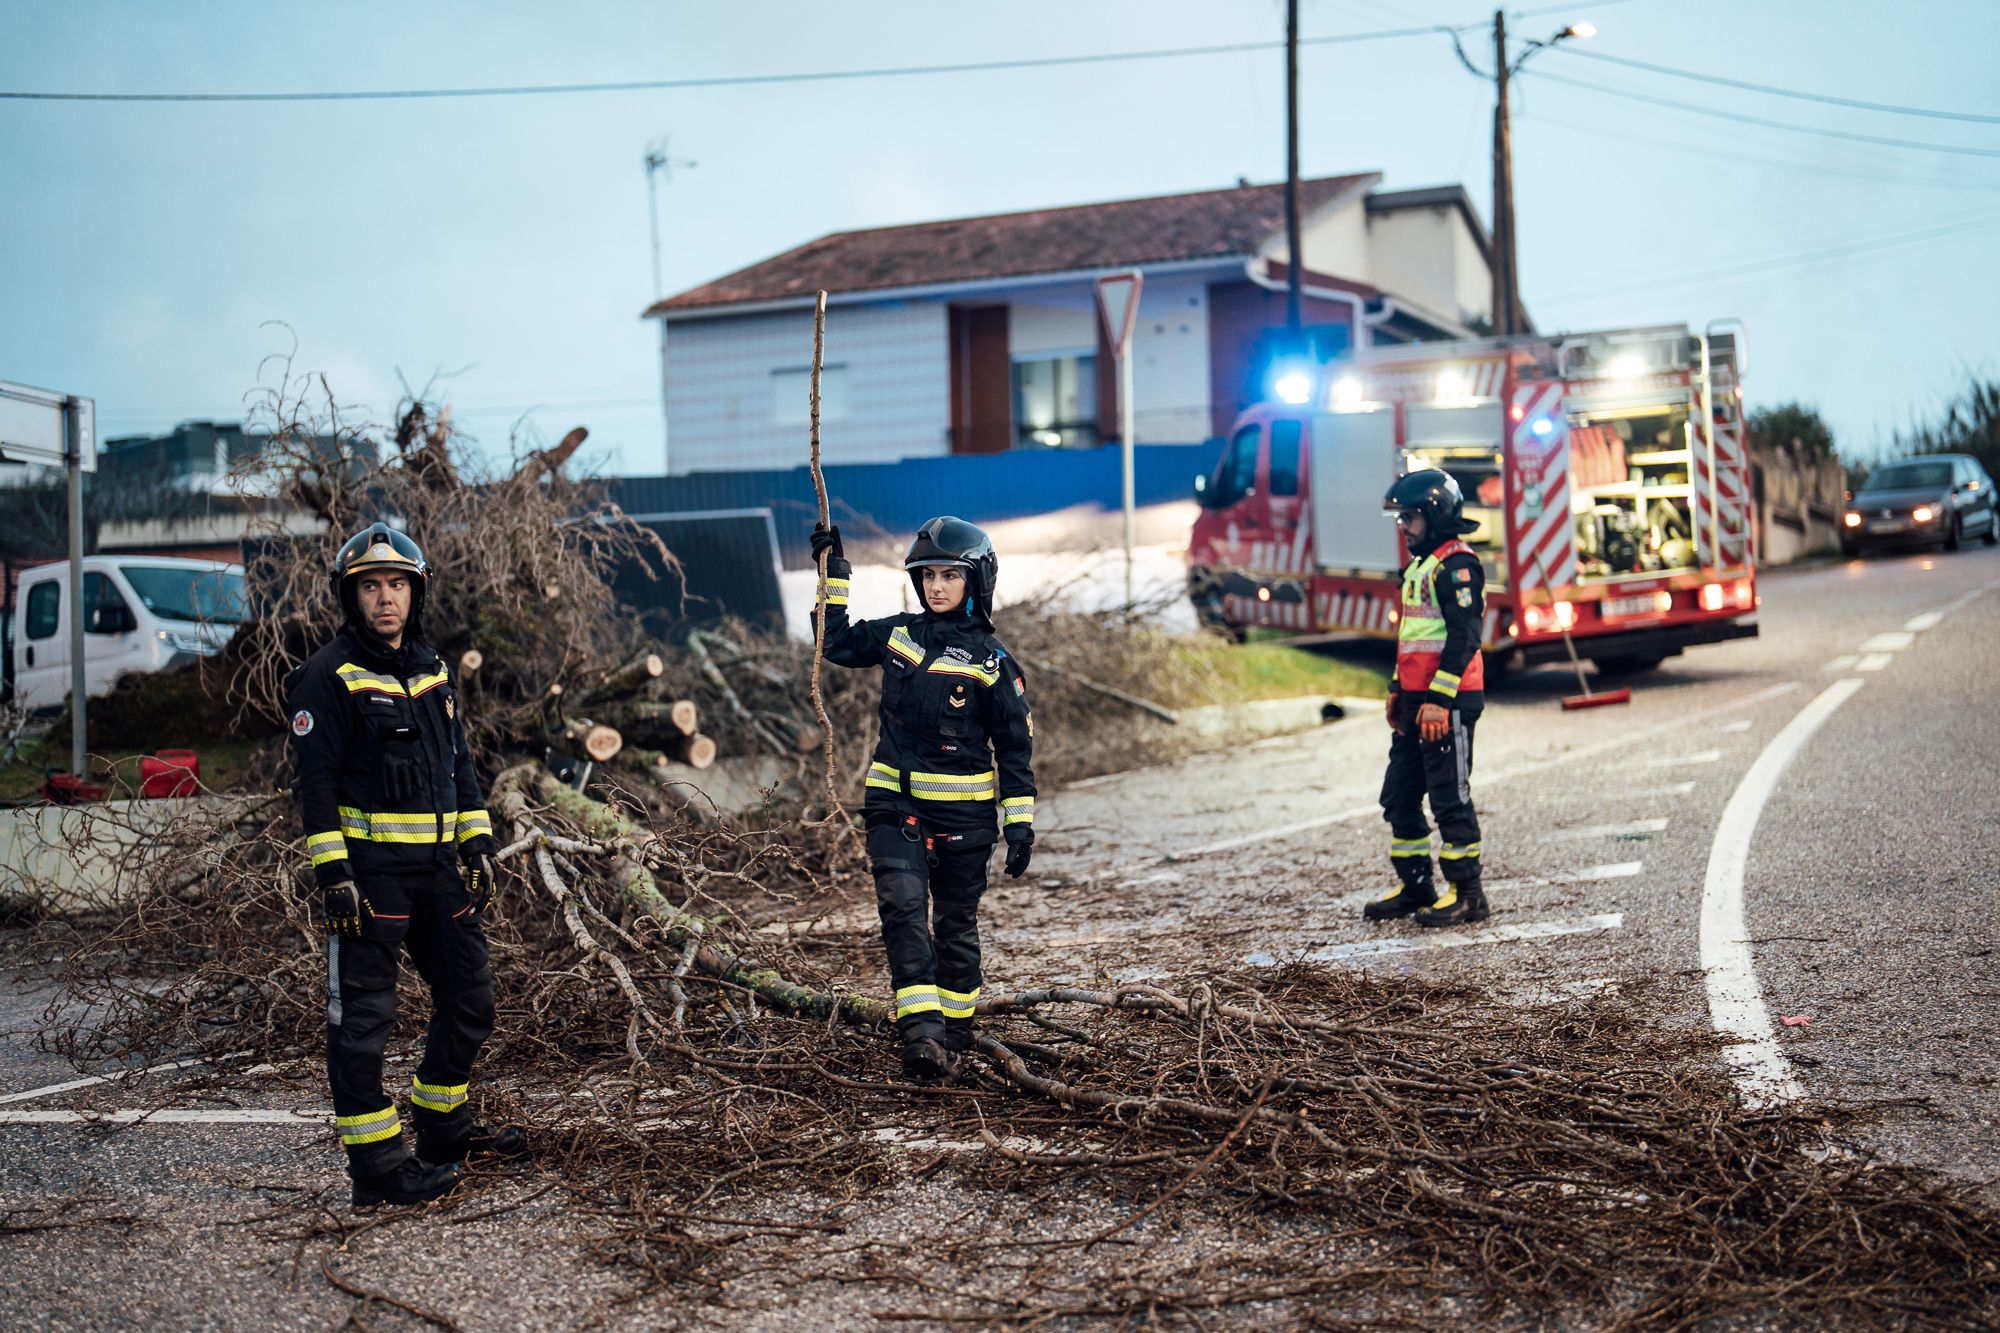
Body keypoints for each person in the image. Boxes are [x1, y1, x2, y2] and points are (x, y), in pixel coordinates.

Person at [286, 523, 524, 1207]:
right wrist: (334, 874)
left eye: (396, 585)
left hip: (440, 875)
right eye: (370, 587)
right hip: (372, 882)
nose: (385, 598)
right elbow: (315, 785)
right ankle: (379, 1169)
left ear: (416, 593)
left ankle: (443, 1131)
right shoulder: (328, 675)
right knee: (362, 1025)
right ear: (350, 596)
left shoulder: (433, 668)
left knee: (471, 1000)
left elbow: (459, 764)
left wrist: (478, 843)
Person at [809, 516, 1037, 1080]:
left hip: (966, 820)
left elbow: (1014, 749)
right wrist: (833, 573)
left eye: (949, 576)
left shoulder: (993, 663)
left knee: (954, 928)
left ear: (975, 580)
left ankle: (956, 1034)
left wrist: (1019, 824)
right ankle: (923, 1038)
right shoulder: (900, 635)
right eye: (928, 575)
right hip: (894, 806)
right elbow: (834, 642)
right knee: (903, 912)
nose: (936, 587)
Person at [1364, 471, 1489, 928]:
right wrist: (1399, 689)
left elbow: (1464, 638)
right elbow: (1414, 637)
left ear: (1435, 516)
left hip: (1447, 703)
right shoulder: (1421, 565)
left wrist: (1437, 699)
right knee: (1398, 797)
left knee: (1448, 799)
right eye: (1400, 518)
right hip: (1418, 702)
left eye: (1410, 518)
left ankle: (1468, 896)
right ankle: (1416, 887)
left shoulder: (1457, 566)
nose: (1402, 526)